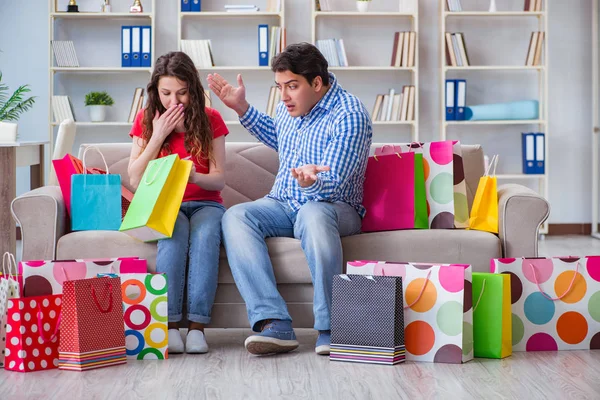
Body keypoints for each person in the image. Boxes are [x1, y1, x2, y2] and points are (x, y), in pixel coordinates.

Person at [207, 42, 372, 356]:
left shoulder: (350, 114)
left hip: (335, 206)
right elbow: (279, 135)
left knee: (313, 213)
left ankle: (331, 326)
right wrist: (242, 108)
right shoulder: (290, 108)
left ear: (317, 83)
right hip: (283, 203)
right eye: (279, 87)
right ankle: (274, 321)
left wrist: (312, 182)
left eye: (292, 86)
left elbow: (335, 181)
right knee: (236, 216)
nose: (283, 96)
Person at [128, 51, 228, 354]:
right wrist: (158, 136)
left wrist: (194, 177)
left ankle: (197, 327)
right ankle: (168, 326)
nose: (175, 102)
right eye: (167, 93)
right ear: (156, 91)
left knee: (206, 235)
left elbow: (219, 179)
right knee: (172, 237)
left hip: (206, 203)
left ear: (193, 91)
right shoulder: (146, 120)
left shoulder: (211, 119)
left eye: (182, 93)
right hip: (164, 204)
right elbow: (134, 178)